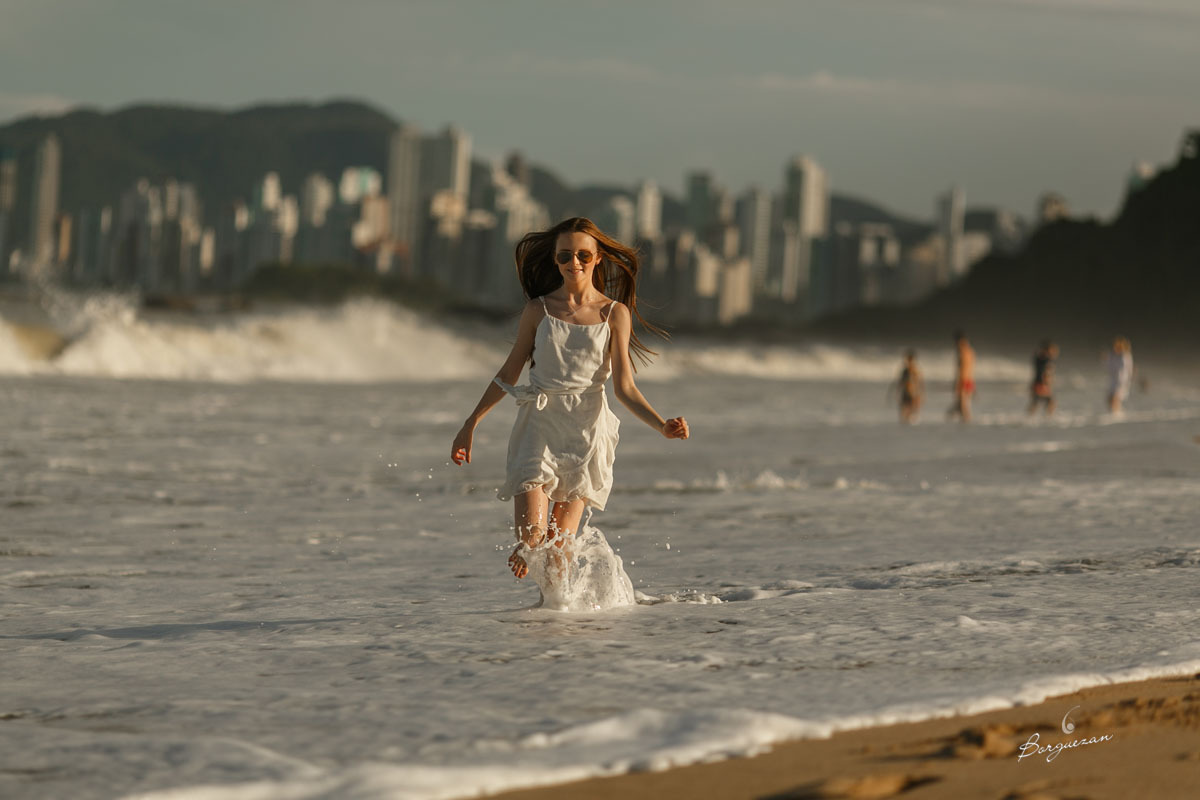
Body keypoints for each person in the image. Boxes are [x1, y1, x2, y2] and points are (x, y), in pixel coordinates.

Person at [450, 217, 689, 587]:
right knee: (532, 535)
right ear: (556, 260)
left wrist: (662, 425)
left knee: (559, 548)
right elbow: (508, 373)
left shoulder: (614, 314)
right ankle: (526, 549)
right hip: (539, 424)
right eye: (565, 255)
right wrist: (470, 425)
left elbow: (624, 387)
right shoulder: (538, 310)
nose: (573, 262)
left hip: (586, 431)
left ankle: (558, 619)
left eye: (582, 254)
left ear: (597, 259)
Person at [947, 330, 975, 423]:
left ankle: (966, 425)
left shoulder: (961, 352)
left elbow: (960, 369)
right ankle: (962, 423)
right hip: (969, 380)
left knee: (963, 407)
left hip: (963, 381)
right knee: (961, 406)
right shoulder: (970, 351)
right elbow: (970, 368)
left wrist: (957, 383)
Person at [889, 349, 924, 424]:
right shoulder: (904, 370)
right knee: (903, 411)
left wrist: (920, 394)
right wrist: (896, 391)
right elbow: (900, 381)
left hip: (913, 392)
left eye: (908, 359)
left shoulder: (915, 370)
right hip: (905, 392)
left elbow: (920, 382)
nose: (906, 361)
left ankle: (910, 422)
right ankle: (905, 423)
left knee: (912, 411)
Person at [1028, 340, 1059, 416]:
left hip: (1036, 383)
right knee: (1050, 401)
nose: (1055, 352)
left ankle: (1029, 416)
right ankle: (1049, 418)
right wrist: (1046, 383)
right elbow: (1045, 373)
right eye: (1053, 350)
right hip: (1041, 384)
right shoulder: (1045, 360)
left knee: (1036, 402)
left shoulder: (1038, 358)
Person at [1106, 336, 1133, 413]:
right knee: (1109, 398)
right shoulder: (1113, 355)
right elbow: (1109, 366)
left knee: (1115, 397)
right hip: (1113, 379)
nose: (1115, 347)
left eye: (1117, 346)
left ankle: (1116, 412)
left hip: (1121, 380)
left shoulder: (1125, 356)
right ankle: (1115, 411)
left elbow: (1126, 368)